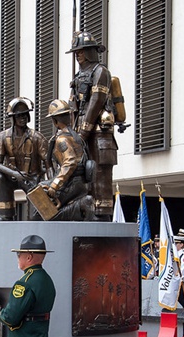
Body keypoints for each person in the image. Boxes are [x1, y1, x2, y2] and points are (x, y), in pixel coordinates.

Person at [68, 31, 119, 221]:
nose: (77, 55)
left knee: (100, 174)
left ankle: (102, 214)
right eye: (76, 52)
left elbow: (96, 101)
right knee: (83, 173)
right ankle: (86, 210)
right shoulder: (78, 75)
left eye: (80, 51)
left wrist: (84, 131)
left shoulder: (100, 72)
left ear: (90, 51)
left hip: (98, 133)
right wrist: (72, 133)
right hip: (81, 131)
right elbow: (74, 104)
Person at [0, 235, 56, 337]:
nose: (18, 258)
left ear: (29, 257)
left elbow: (10, 317)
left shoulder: (25, 282)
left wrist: (0, 314)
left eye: (19, 255)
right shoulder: (46, 279)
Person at [0, 97, 48, 221]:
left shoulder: (37, 137)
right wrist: (13, 174)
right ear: (13, 118)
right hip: (12, 177)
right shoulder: (2, 137)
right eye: (19, 116)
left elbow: (48, 163)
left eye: (25, 115)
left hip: (33, 178)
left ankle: (34, 217)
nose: (23, 118)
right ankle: (5, 215)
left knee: (34, 218)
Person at [39, 99, 95, 221]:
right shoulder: (77, 137)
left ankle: (79, 206)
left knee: (38, 196)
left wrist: (54, 185)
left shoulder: (62, 140)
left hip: (71, 183)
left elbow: (70, 162)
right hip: (82, 182)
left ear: (54, 121)